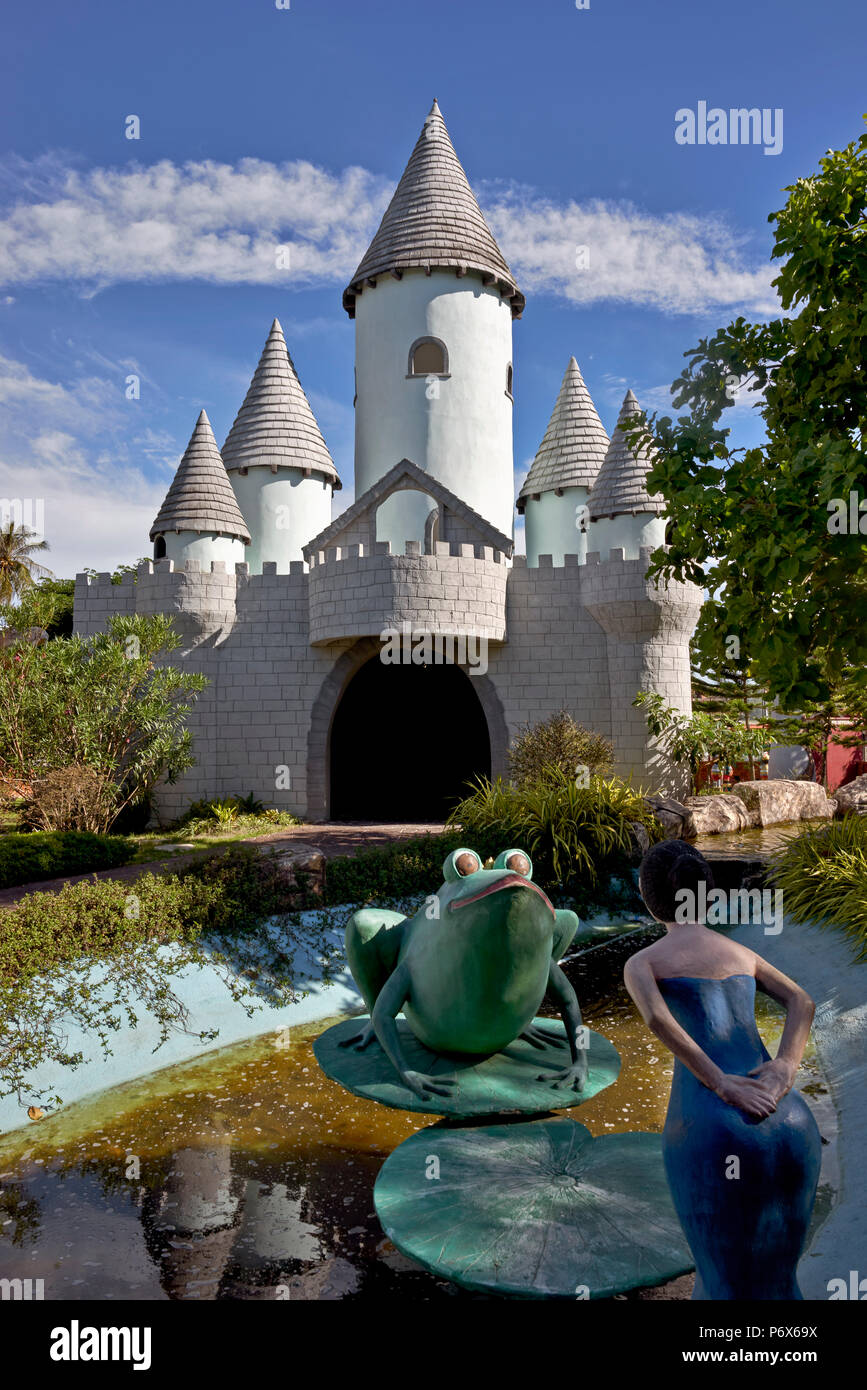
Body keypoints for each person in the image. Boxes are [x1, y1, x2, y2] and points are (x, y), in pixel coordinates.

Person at [624, 839, 822, 1300]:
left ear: (645, 893)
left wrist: (719, 1083)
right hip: (791, 1119)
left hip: (712, 1127)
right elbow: (802, 1001)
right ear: (707, 894)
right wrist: (784, 1068)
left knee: (721, 1284)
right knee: (780, 1280)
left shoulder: (643, 963)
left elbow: (657, 1019)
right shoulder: (739, 953)